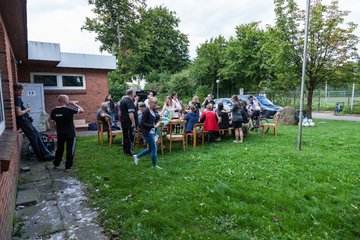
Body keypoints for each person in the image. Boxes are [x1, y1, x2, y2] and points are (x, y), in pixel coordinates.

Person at [14, 84, 55, 161]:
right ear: (14, 91)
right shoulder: (17, 99)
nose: (21, 92)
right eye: (18, 90)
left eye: (21, 90)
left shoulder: (18, 98)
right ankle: (41, 156)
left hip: (25, 120)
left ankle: (46, 153)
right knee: (33, 137)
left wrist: (25, 110)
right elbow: (18, 113)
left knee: (37, 135)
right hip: (23, 121)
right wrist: (27, 110)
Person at [51, 95, 84, 171]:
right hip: (70, 133)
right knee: (70, 150)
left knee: (59, 149)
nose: (69, 101)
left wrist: (56, 131)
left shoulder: (53, 111)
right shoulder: (68, 110)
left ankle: (56, 164)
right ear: (65, 101)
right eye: (68, 99)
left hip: (60, 133)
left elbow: (53, 122)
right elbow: (82, 110)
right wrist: (74, 104)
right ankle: (68, 167)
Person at [133, 97, 162, 169]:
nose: (155, 104)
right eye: (154, 103)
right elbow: (142, 123)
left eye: (156, 103)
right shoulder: (146, 111)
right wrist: (153, 126)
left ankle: (136, 156)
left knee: (150, 149)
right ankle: (154, 166)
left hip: (152, 131)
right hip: (147, 132)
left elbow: (155, 118)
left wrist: (157, 122)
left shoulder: (153, 110)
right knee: (154, 148)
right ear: (150, 103)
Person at [120, 89, 137, 156]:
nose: (135, 93)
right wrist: (133, 122)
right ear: (132, 94)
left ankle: (125, 151)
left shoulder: (123, 100)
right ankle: (129, 151)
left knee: (125, 136)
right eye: (134, 92)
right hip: (128, 122)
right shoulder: (129, 101)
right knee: (130, 136)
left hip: (123, 121)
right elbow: (131, 113)